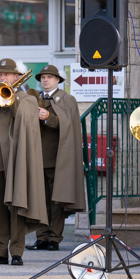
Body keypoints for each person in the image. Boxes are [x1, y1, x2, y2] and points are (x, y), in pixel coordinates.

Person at [0, 58, 47, 266]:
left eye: (6, 74)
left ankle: (16, 251)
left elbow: (25, 120)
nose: (2, 77)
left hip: (16, 161)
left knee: (16, 207)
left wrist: (10, 100)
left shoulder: (27, 99)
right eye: (0, 74)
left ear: (17, 76)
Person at [26, 65, 87, 252]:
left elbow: (69, 126)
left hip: (58, 158)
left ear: (58, 80)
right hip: (37, 158)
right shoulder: (33, 98)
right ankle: (42, 237)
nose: (45, 80)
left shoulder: (67, 99)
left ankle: (54, 238)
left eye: (50, 77)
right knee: (39, 201)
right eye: (43, 77)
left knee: (57, 201)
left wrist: (48, 117)